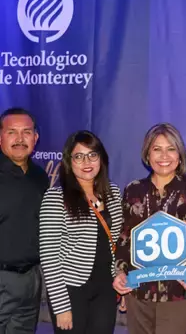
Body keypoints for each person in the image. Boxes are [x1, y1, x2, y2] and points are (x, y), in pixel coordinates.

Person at [113, 123, 186, 334]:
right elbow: (125, 239)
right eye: (156, 149)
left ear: (180, 154)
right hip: (138, 289)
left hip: (179, 288)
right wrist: (120, 272)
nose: (164, 156)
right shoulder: (133, 190)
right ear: (147, 154)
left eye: (171, 149)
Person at [39, 130, 123, 334]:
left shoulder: (113, 193)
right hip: (71, 289)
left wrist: (120, 276)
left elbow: (119, 242)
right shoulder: (55, 198)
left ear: (101, 159)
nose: (87, 161)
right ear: (69, 162)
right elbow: (49, 257)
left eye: (92, 155)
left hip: (106, 288)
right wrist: (61, 308)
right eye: (78, 156)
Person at [0, 107, 49, 334]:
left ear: (35, 138)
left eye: (26, 132)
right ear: (0, 136)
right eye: (12, 132)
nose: (20, 139)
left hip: (32, 280)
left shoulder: (40, 177)